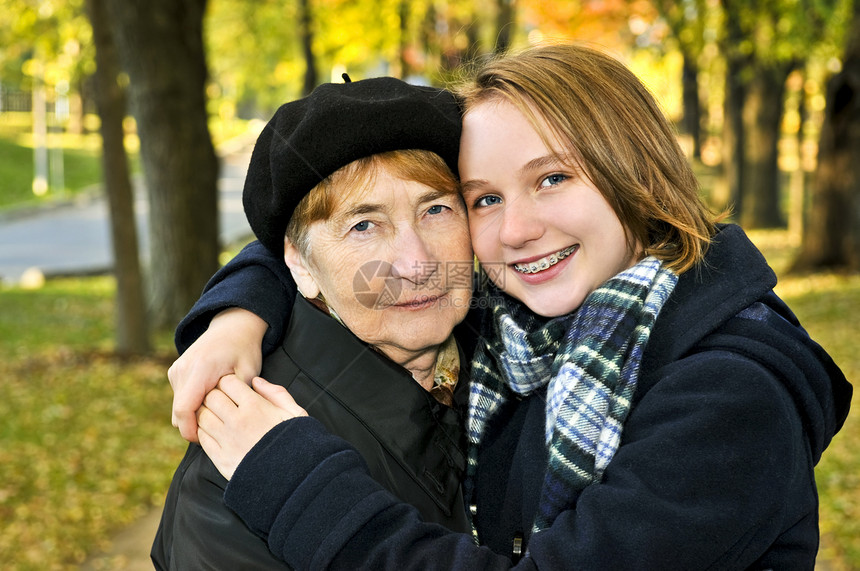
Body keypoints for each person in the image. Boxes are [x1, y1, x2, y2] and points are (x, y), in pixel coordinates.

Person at [168, 44, 852, 569]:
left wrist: (297, 485)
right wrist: (236, 312)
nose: (515, 230)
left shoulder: (728, 398)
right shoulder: (526, 331)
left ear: (637, 176)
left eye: (551, 179)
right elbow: (312, 242)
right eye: (485, 198)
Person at [151, 77, 479, 570]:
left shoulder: (528, 362)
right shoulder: (240, 465)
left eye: (435, 209)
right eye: (363, 225)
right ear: (298, 265)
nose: (417, 263)